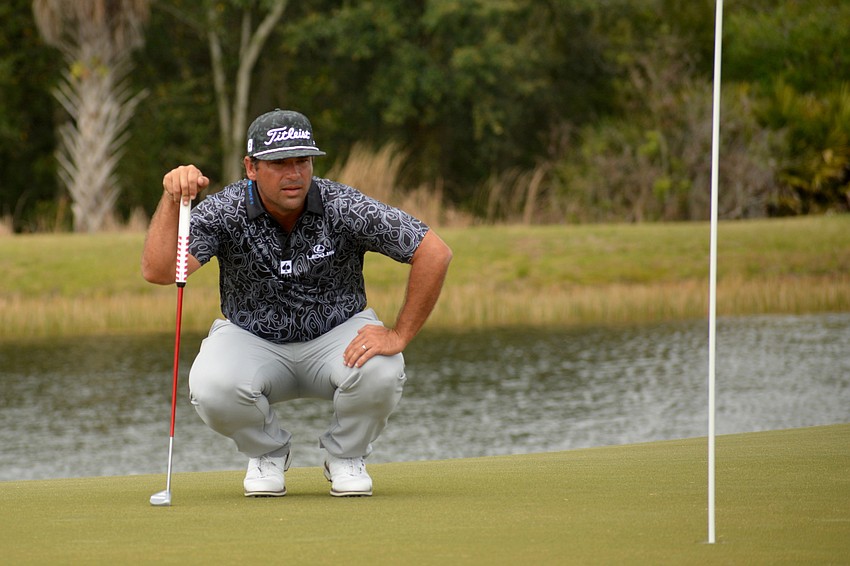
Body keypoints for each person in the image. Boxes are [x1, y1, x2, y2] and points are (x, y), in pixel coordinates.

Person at [141, 109, 452, 497]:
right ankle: (267, 453)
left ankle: (346, 456)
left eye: (302, 161)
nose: (294, 173)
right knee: (211, 385)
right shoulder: (226, 209)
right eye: (279, 163)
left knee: (383, 369)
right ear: (251, 167)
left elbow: (433, 252)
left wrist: (399, 334)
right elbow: (158, 270)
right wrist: (173, 200)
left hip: (336, 335)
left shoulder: (341, 204)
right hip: (252, 337)